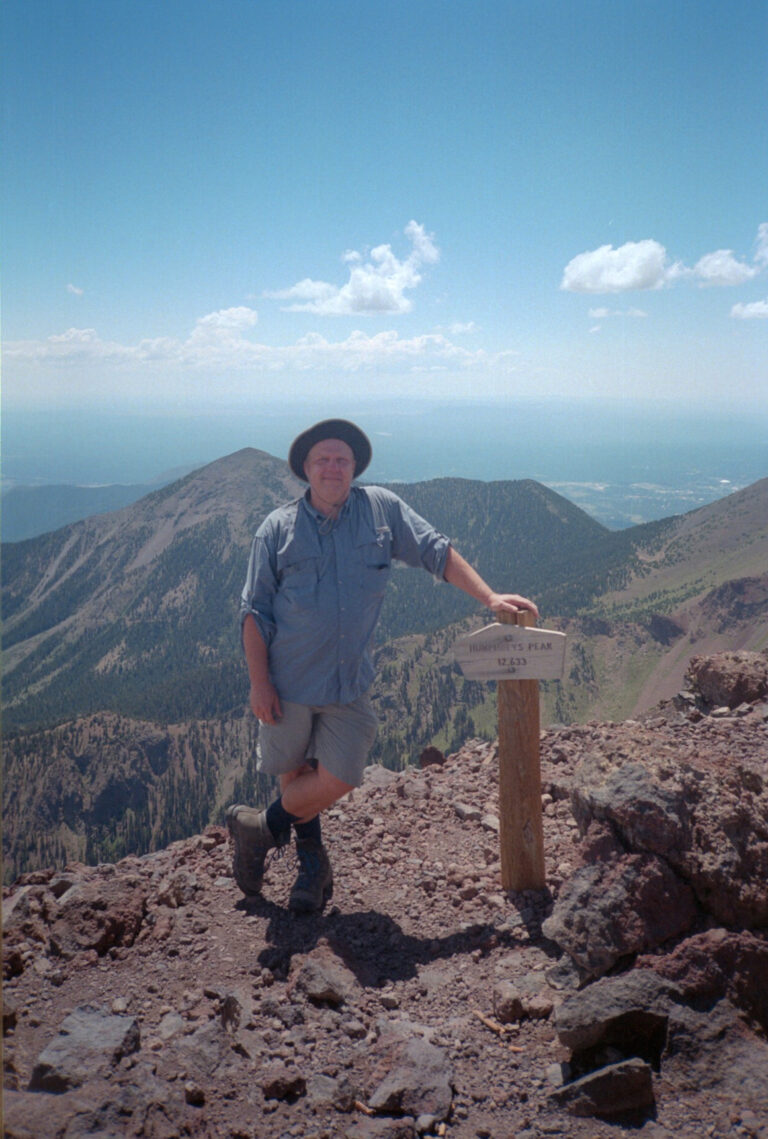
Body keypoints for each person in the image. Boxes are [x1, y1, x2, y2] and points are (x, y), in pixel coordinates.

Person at [227, 418, 538, 914]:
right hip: (287, 684)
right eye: (323, 460)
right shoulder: (277, 530)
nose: (333, 468)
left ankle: (258, 829)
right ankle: (312, 868)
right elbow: (253, 611)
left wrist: (489, 597)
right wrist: (259, 682)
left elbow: (437, 551)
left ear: (354, 468)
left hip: (349, 684)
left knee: (341, 777)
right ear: (306, 469)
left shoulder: (381, 511)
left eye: (342, 460)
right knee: (294, 775)